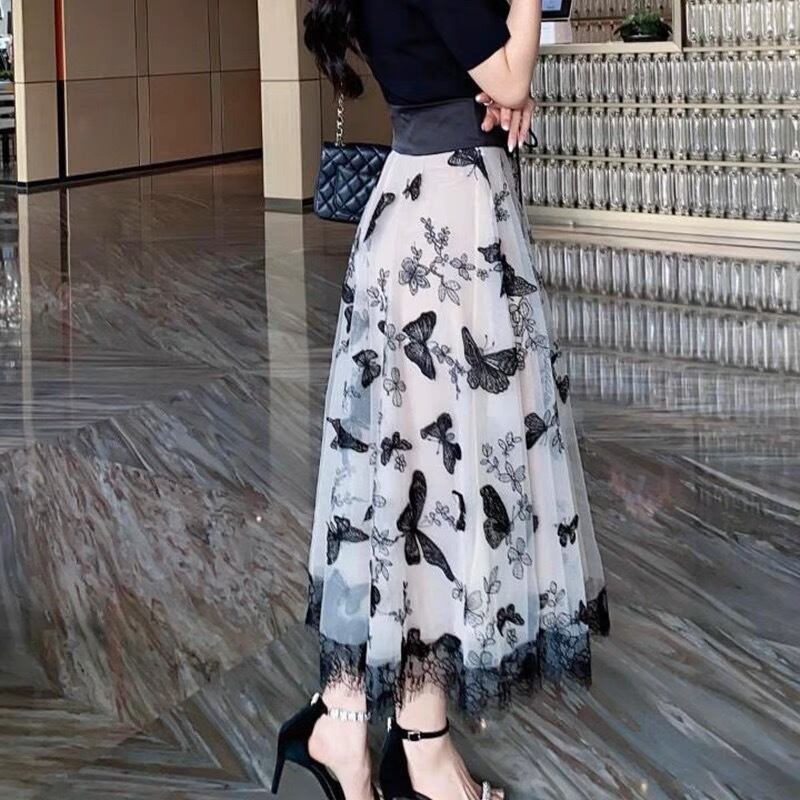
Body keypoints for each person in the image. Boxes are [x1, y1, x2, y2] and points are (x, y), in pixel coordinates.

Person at [272, 2, 611, 799]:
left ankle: (354, 723)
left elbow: (485, 73)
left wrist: (499, 87)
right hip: (444, 235)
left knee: (412, 483)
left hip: (441, 214)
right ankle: (408, 744)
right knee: (426, 485)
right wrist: (510, 69)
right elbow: (508, 76)